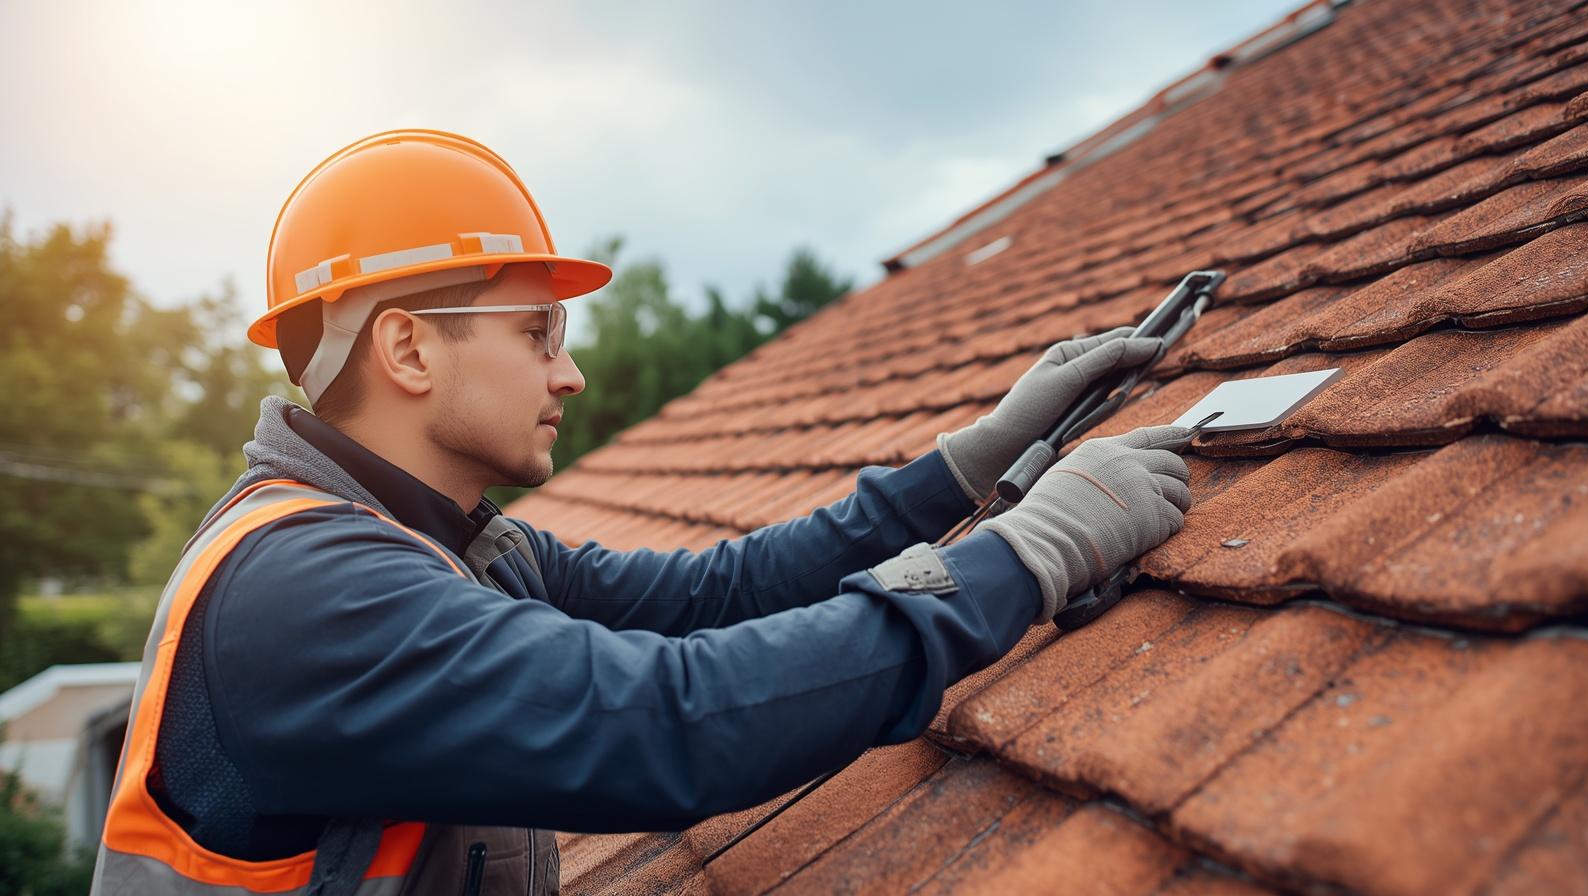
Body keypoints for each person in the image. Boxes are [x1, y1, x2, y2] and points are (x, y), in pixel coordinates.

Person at [90, 130, 1193, 895]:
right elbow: (670, 720)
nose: (568, 374)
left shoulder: (441, 543)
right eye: (539, 332)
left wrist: (967, 462)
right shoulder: (311, 595)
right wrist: (1024, 552)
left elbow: (712, 594)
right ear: (408, 347)